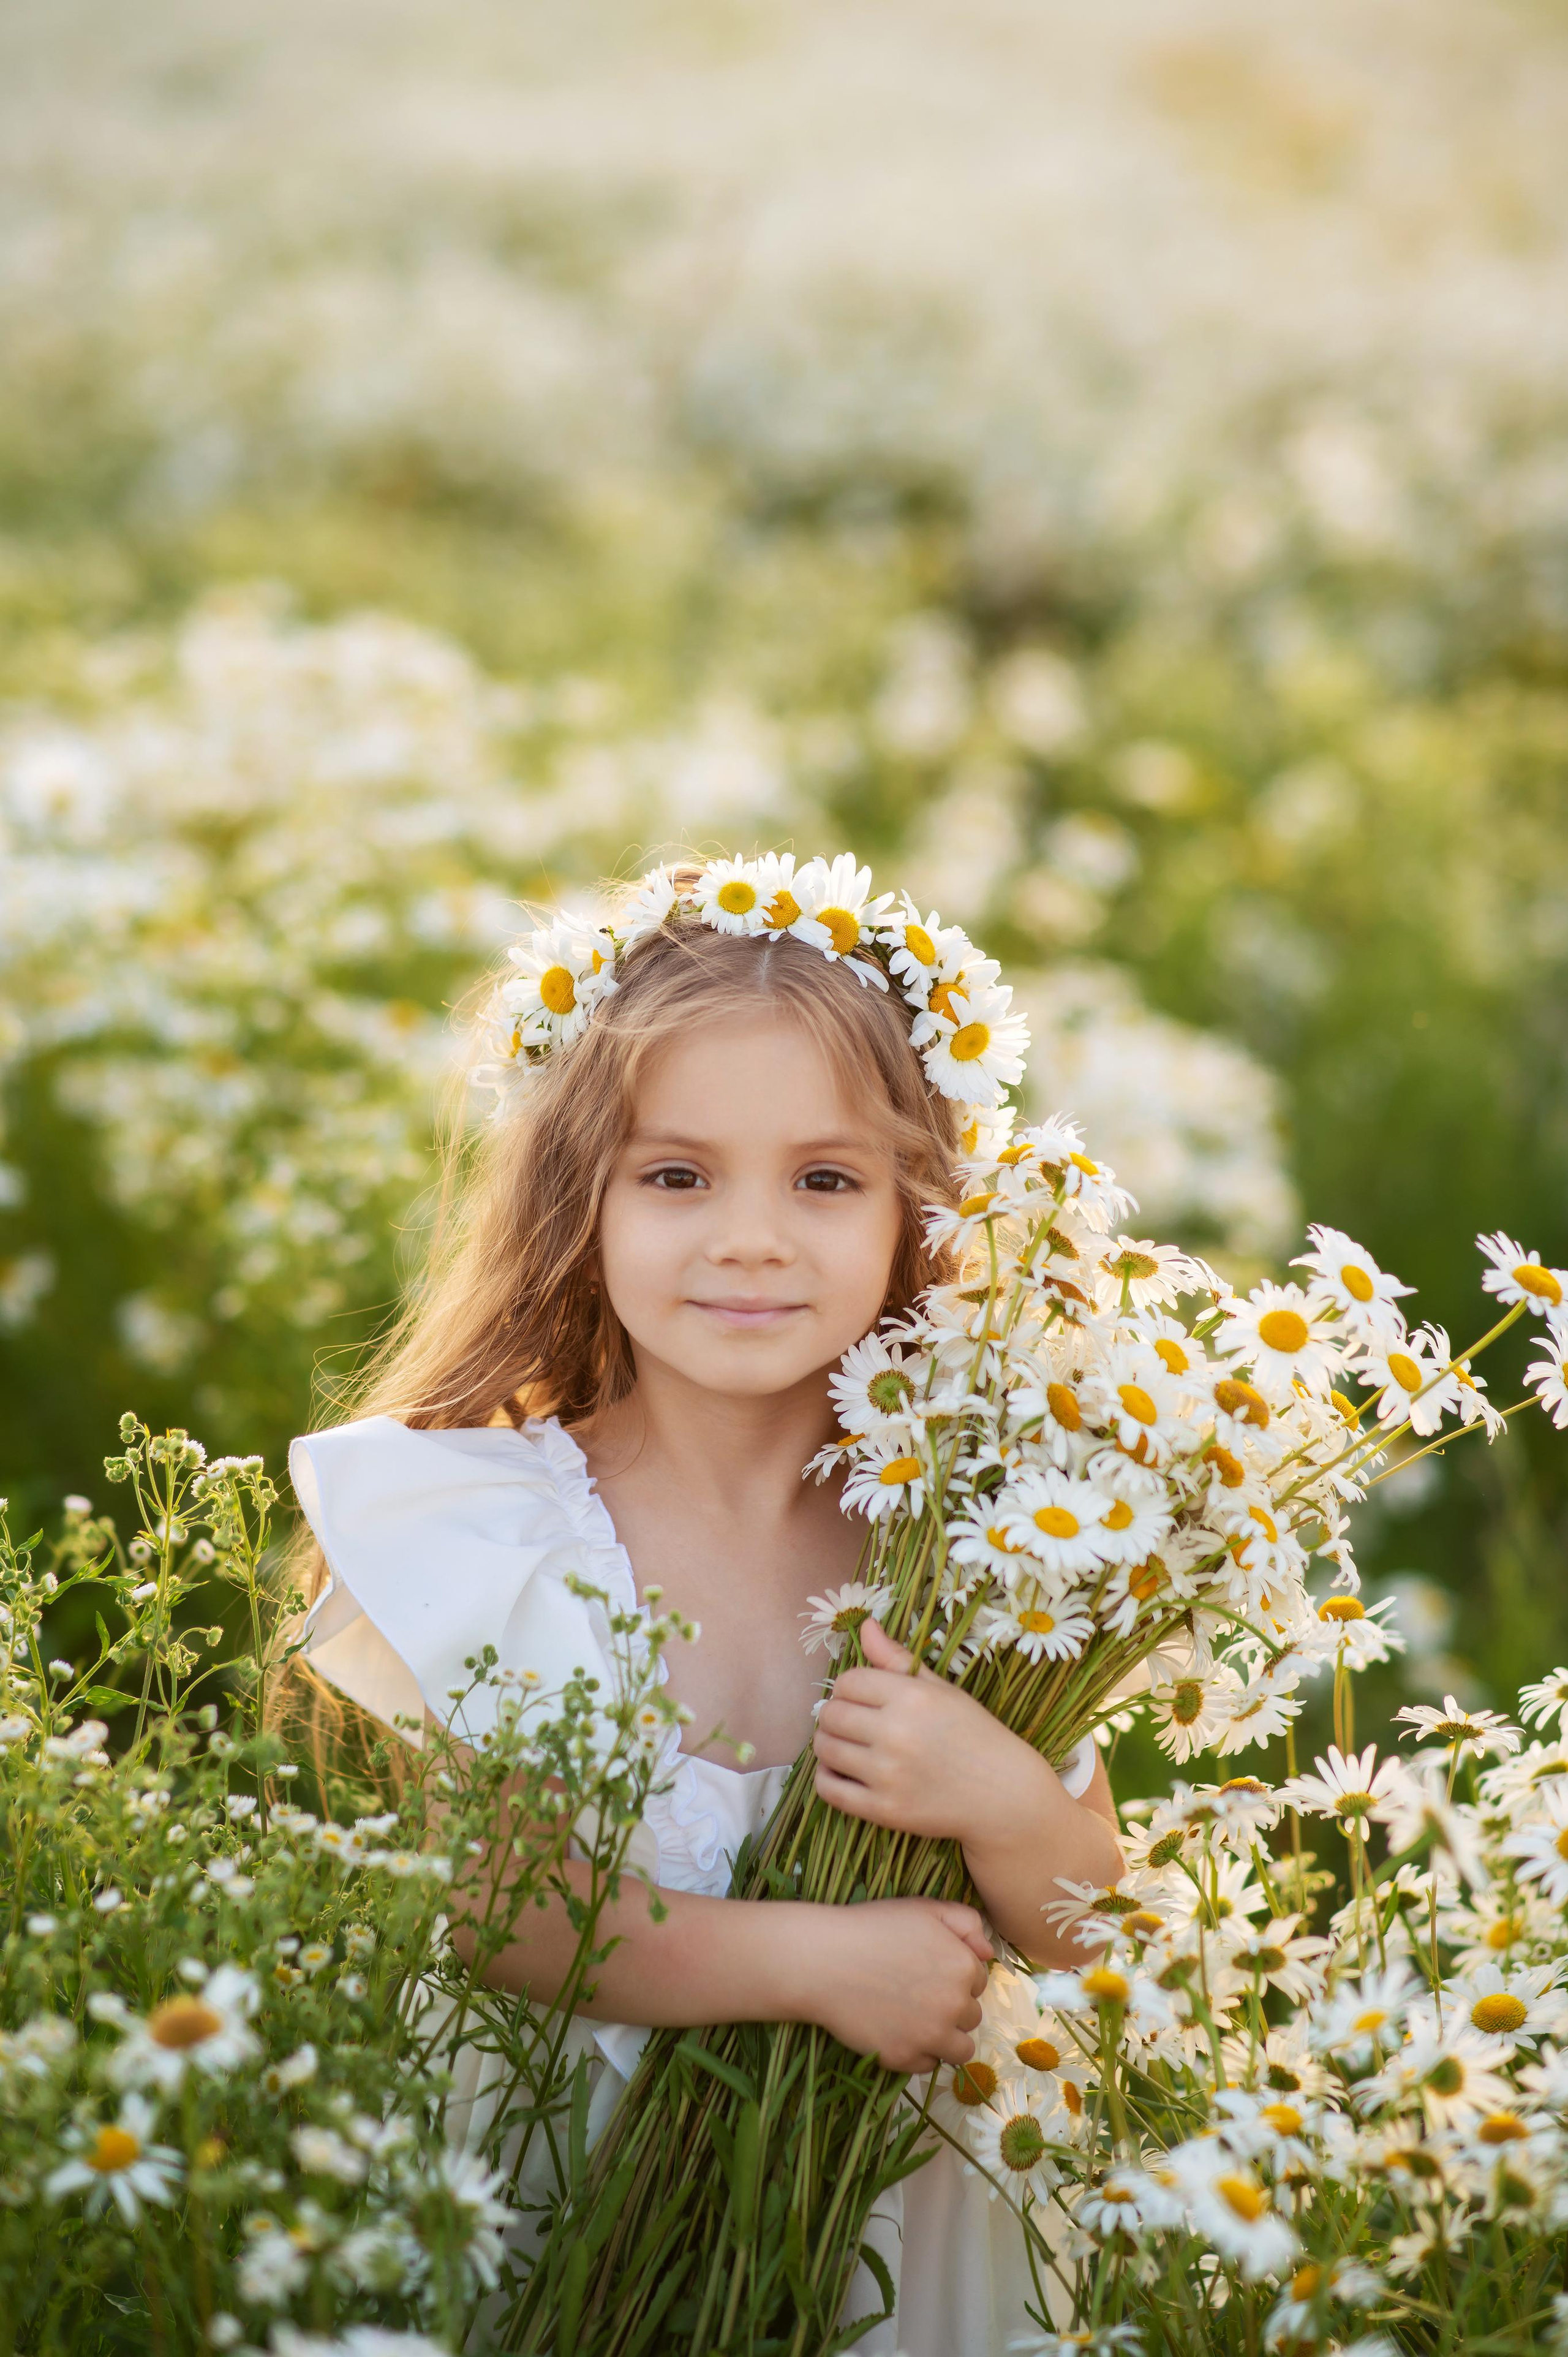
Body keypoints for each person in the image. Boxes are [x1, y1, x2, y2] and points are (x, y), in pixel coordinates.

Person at [287, 854, 1124, 2353]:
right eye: (677, 1177)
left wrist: (998, 1797)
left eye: (823, 1179)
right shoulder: (504, 1525)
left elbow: (1081, 1925)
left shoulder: (965, 1540)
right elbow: (506, 1912)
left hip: (894, 2203)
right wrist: (815, 1964)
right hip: (564, 2196)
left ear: (912, 1212)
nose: (750, 1237)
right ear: (580, 1201)